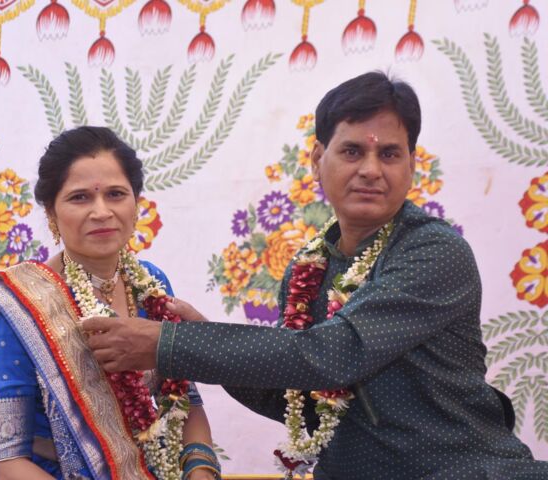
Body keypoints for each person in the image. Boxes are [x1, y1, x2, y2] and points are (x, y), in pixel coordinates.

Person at [81, 72, 548, 479]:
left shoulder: (434, 252)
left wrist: (171, 344)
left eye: (389, 154)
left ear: (411, 164)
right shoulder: (311, 268)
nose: (371, 170)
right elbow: (298, 401)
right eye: (352, 151)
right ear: (317, 160)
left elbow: (335, 354)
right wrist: (199, 339)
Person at [0, 126, 220, 480]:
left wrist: (200, 472)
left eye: (116, 194)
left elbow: (186, 403)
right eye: (80, 197)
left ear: (136, 204)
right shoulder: (17, 305)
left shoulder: (152, 286)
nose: (101, 212)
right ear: (51, 212)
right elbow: (6, 462)